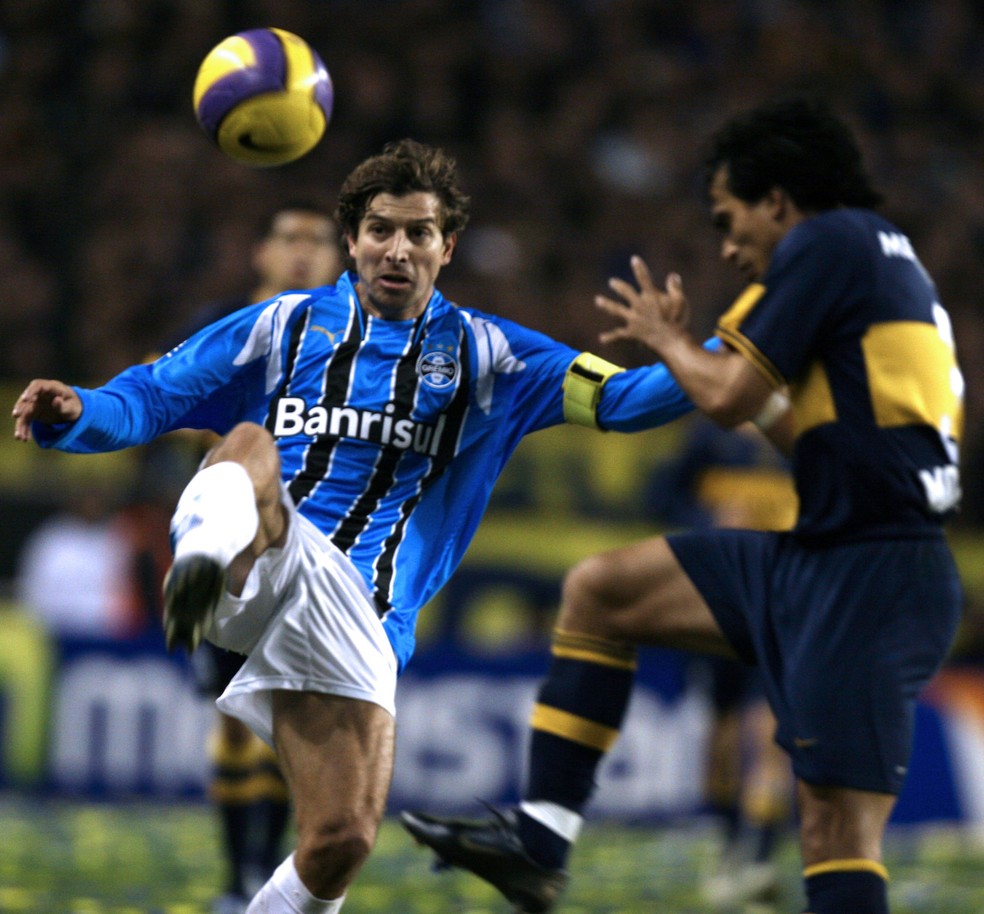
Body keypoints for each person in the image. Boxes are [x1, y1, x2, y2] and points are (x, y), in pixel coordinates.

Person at [12, 138, 707, 914]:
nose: (397, 249)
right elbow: (148, 397)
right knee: (247, 445)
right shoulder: (281, 326)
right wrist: (74, 413)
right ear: (353, 240)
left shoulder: (494, 356)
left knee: (339, 843)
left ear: (448, 247)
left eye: (418, 233)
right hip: (264, 552)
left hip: (363, 613)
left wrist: (710, 351)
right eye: (381, 229)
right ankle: (203, 562)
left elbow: (623, 401)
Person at [399, 96, 965, 914]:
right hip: (825, 554)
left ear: (778, 200)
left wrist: (664, 340)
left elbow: (730, 398)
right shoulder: (880, 263)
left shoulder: (825, 242)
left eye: (730, 219)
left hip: (874, 576)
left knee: (836, 836)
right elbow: (808, 435)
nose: (730, 246)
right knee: (602, 591)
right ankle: (540, 843)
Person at [166, 202, 343, 914]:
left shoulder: (353, 336)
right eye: (289, 238)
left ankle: (265, 877)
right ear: (261, 254)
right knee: (238, 718)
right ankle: (241, 879)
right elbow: (166, 401)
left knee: (291, 719)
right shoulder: (222, 325)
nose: (303, 252)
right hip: (236, 544)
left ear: (338, 260)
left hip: (320, 546)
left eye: (318, 241)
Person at [647, 417, 797, 907]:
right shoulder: (710, 437)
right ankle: (728, 843)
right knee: (722, 735)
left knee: (769, 733)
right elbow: (660, 495)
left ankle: (758, 856)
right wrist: (709, 521)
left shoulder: (807, 434)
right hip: (716, 605)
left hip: (784, 605)